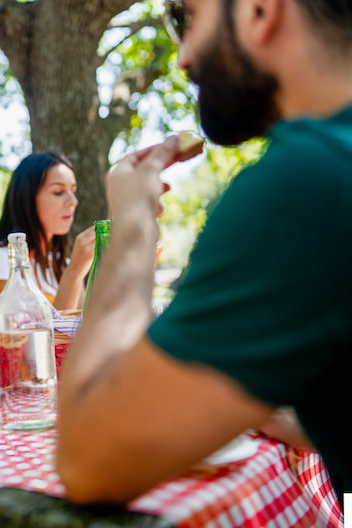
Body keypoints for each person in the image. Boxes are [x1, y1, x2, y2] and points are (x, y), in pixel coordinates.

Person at [57, 0, 352, 511]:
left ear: (261, 10)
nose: (183, 58)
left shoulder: (306, 182)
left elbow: (87, 459)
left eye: (186, 19)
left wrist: (130, 222)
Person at [0, 151, 95, 373]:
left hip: (41, 391)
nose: (73, 202)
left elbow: (77, 341)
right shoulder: (0, 259)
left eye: (73, 191)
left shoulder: (60, 263)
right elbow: (38, 350)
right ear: (27, 198)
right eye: (58, 191)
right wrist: (73, 274)